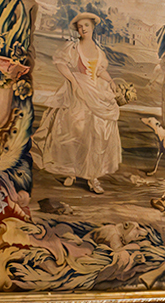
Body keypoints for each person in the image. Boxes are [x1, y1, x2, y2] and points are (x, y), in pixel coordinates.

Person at [32, 12, 120, 194]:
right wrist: (73, 82)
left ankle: (92, 176)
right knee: (72, 130)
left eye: (86, 25)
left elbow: (100, 71)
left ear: (93, 26)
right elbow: (61, 64)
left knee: (95, 133)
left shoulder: (98, 51)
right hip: (76, 90)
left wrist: (110, 81)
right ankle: (71, 171)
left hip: (95, 92)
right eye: (80, 27)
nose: (83, 29)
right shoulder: (72, 47)